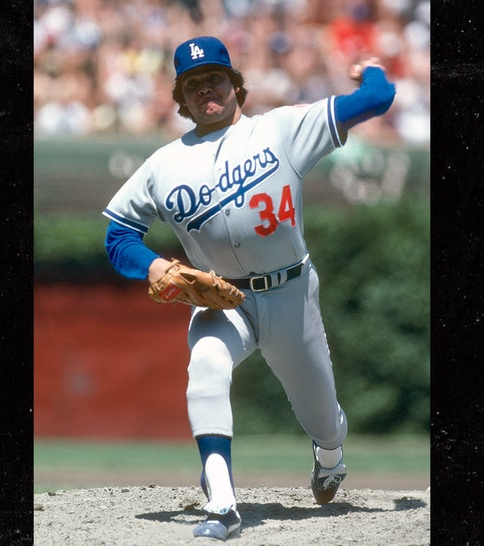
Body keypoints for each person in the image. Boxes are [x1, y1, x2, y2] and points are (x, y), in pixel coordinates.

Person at [102, 35, 395, 541]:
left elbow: (377, 100)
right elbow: (117, 233)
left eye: (214, 77)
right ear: (181, 99)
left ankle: (330, 453)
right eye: (192, 84)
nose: (205, 89)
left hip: (290, 293)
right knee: (206, 366)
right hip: (222, 300)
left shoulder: (282, 129)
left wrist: (370, 70)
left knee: (321, 416)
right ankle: (221, 503)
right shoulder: (163, 164)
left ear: (236, 84)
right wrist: (151, 266)